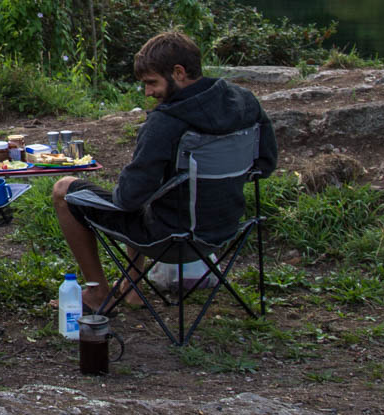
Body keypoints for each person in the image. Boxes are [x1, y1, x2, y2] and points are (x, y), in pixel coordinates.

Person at [51, 30, 277, 310]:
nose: (148, 93)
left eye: (151, 83)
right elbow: (265, 165)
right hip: (225, 230)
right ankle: (132, 290)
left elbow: (128, 199)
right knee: (148, 195)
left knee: (65, 189)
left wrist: (133, 177)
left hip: (169, 239)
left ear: (178, 73)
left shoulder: (165, 121)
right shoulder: (246, 102)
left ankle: (97, 294)